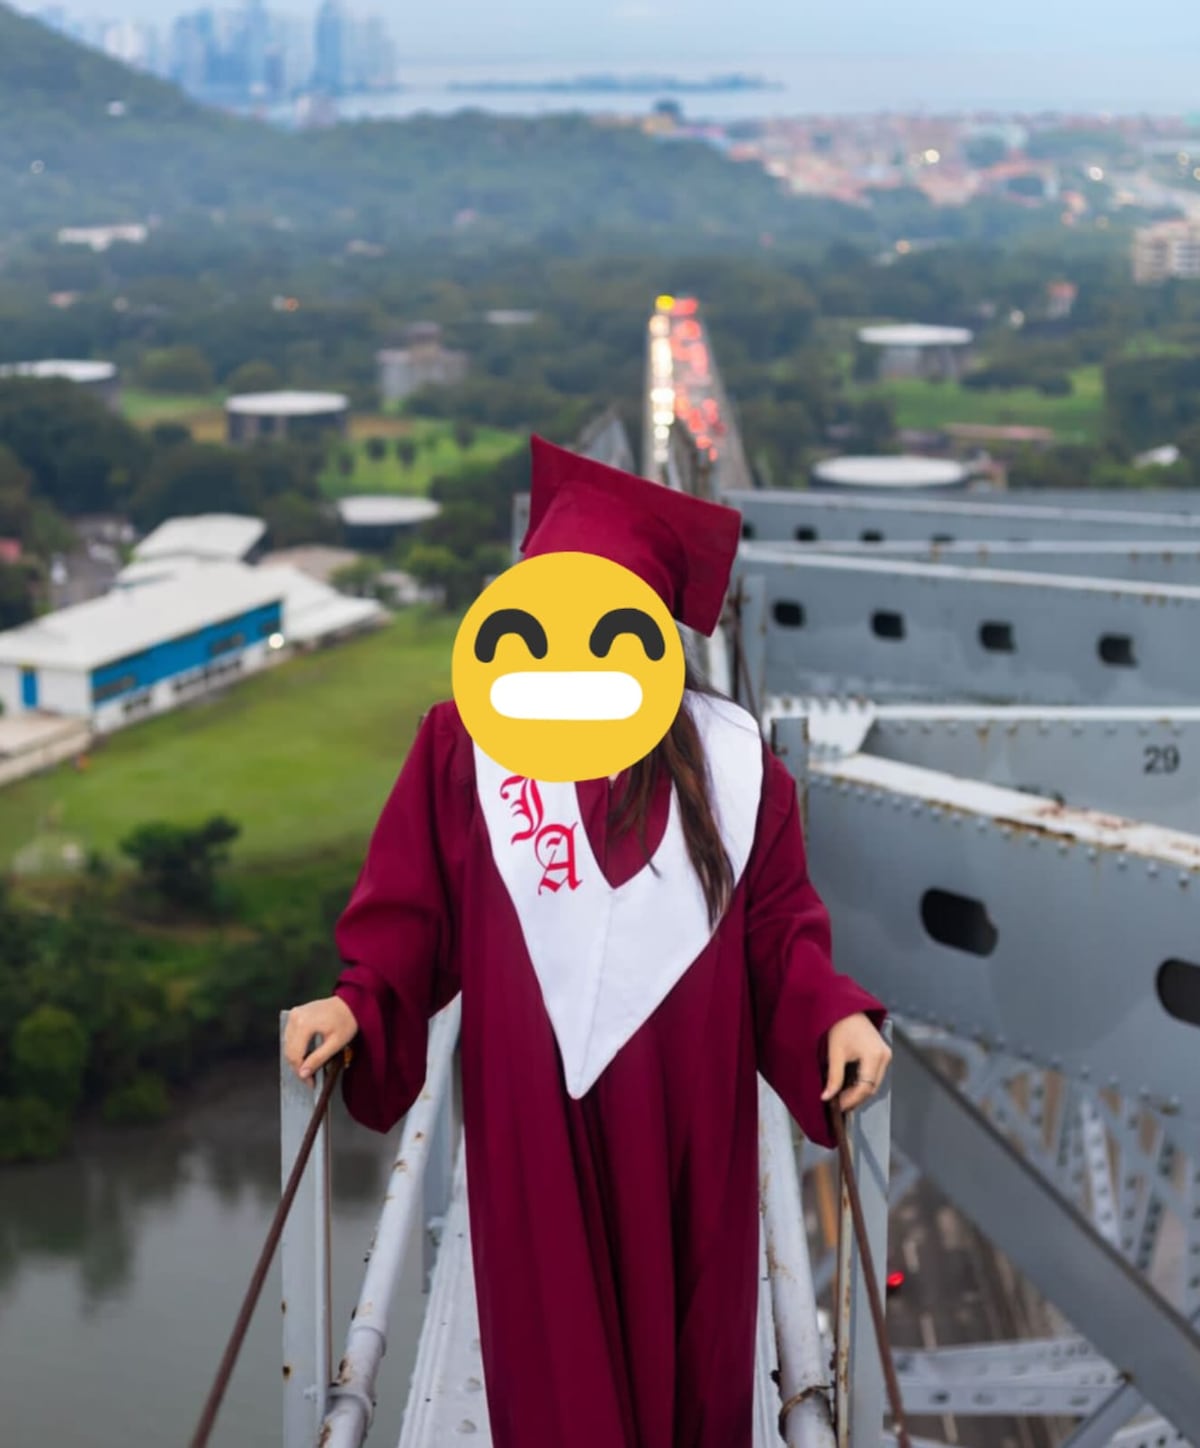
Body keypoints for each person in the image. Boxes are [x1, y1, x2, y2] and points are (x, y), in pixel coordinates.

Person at [284, 436, 891, 1448]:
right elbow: (410, 911)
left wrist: (834, 1014)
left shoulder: (739, 769)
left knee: (693, 1364)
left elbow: (780, 932)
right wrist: (358, 1002)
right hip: (538, 1122)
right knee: (557, 1369)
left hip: (687, 1120)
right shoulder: (463, 749)